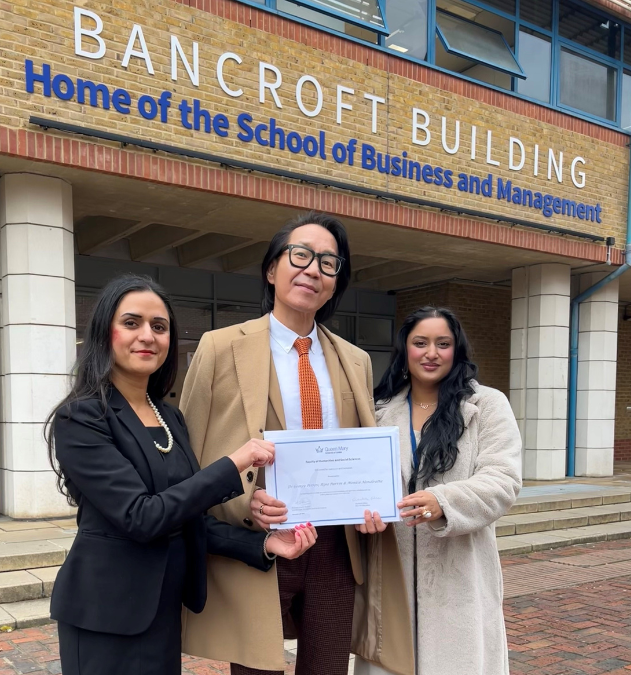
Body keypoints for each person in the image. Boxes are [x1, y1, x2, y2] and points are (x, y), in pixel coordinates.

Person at [46, 274, 317, 675]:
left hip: (163, 606)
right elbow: (142, 517)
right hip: (106, 610)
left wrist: (264, 545)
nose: (148, 336)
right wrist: (234, 463)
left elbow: (187, 518)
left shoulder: (169, 416)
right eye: (132, 322)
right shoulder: (82, 417)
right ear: (106, 332)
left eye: (160, 327)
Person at [180, 212, 413, 675]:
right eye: (301, 255)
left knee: (327, 668)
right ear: (272, 269)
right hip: (259, 540)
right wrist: (247, 500)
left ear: (334, 283)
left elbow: (358, 450)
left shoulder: (355, 359)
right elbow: (192, 454)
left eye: (328, 264)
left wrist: (373, 503)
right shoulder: (219, 347)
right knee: (255, 669)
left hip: (335, 547)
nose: (313, 270)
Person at [353, 306, 522, 675]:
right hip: (390, 573)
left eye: (442, 343)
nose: (431, 352)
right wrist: (360, 514)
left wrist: (442, 502)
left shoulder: (486, 405)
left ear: (456, 349)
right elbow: (358, 480)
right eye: (420, 342)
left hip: (459, 573)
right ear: (405, 349)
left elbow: (502, 479)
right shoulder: (378, 410)